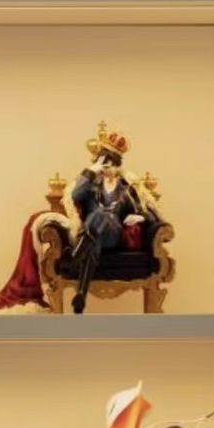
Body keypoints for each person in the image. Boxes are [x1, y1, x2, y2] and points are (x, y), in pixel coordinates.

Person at [68, 125, 146, 313]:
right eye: (103, 164)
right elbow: (75, 196)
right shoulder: (91, 185)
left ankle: (77, 254)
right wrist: (90, 171)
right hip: (95, 237)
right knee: (93, 241)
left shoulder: (126, 188)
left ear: (118, 166)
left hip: (113, 235)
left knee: (100, 215)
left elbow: (145, 213)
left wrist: (138, 217)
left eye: (110, 164)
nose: (106, 168)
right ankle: (81, 295)